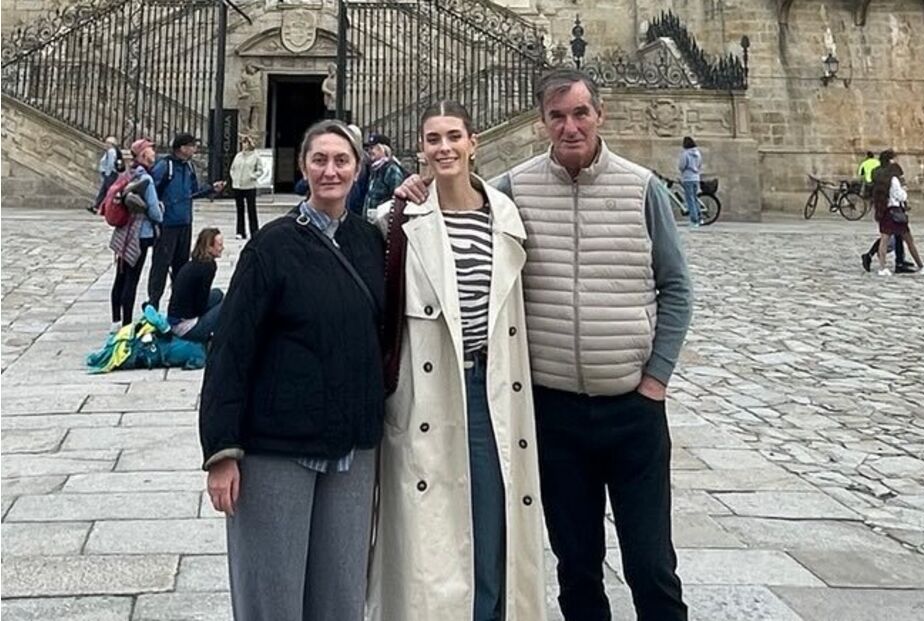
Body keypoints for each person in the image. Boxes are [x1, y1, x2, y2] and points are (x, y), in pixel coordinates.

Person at [395, 68, 693, 621]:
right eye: (558, 116)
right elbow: (461, 200)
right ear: (542, 124)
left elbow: (676, 287)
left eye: (580, 113)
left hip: (632, 407)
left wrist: (656, 379)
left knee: (651, 563)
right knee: (575, 564)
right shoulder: (513, 190)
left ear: (600, 115)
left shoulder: (642, 187)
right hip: (552, 411)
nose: (570, 126)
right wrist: (416, 188)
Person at [367, 101, 547, 621]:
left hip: (490, 383)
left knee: (494, 520)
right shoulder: (395, 220)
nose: (443, 147)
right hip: (426, 388)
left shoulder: (507, 217)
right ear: (420, 150)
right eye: (432, 139)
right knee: (432, 533)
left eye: (453, 136)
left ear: (474, 143)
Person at [198, 120, 385, 621]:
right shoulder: (271, 247)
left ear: (357, 168)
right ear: (302, 169)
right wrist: (221, 450)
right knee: (273, 596)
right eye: (319, 160)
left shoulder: (370, 240)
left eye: (341, 160)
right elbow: (230, 350)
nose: (331, 170)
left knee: (342, 597)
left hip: (351, 443)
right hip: (278, 445)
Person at [147, 133, 226, 309]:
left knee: (181, 268)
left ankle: (178, 307)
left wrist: (211, 189)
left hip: (184, 222)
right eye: (192, 146)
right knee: (161, 266)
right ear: (182, 148)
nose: (195, 149)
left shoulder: (189, 167)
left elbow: (193, 192)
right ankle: (153, 306)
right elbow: (151, 191)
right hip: (167, 224)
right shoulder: (164, 166)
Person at [109, 139, 163, 331]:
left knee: (121, 276)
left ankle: (116, 319)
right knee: (132, 279)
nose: (154, 154)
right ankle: (127, 324)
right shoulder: (146, 179)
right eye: (150, 150)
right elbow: (155, 213)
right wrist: (161, 209)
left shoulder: (128, 174)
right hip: (140, 234)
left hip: (123, 232)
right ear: (142, 155)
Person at [871, 150, 924, 277]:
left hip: (884, 210)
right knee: (909, 240)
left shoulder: (878, 176)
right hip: (895, 212)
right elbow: (900, 196)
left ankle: (882, 268)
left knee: (884, 240)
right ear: (891, 160)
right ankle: (921, 265)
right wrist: (904, 190)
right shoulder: (893, 179)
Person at [165, 227, 225, 342]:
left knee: (217, 294)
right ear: (209, 247)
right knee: (227, 304)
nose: (222, 248)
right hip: (185, 327)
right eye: (219, 245)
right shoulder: (208, 267)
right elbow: (200, 305)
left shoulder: (196, 262)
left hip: (177, 317)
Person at [860, 150, 911, 273]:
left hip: (883, 206)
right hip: (889, 207)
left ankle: (900, 260)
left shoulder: (879, 171)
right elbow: (896, 190)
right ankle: (872, 256)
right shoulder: (887, 173)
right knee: (889, 237)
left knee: (895, 235)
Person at [362, 133, 407, 218]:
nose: (370, 151)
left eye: (373, 148)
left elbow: (397, 199)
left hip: (383, 220)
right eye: (369, 149)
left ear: (382, 149)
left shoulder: (391, 169)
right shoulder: (374, 169)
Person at [229, 135, 263, 240]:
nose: (243, 145)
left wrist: (252, 176)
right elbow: (233, 168)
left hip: (249, 186)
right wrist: (234, 177)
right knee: (240, 210)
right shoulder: (238, 156)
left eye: (245, 143)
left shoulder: (255, 156)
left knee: (251, 210)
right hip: (238, 186)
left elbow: (260, 170)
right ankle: (240, 231)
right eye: (242, 143)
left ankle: (254, 231)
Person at [91, 136, 125, 214]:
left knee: (110, 192)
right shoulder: (112, 151)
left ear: (111, 144)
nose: (105, 144)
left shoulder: (111, 151)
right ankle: (96, 207)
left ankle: (108, 208)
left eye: (107, 143)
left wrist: (107, 174)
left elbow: (110, 164)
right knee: (103, 192)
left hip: (110, 175)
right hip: (110, 174)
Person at [678, 136, 703, 228]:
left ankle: (694, 220)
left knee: (690, 200)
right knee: (695, 198)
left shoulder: (685, 154)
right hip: (696, 178)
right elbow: (700, 164)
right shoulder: (698, 153)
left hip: (687, 177)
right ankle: (700, 217)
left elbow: (682, 165)